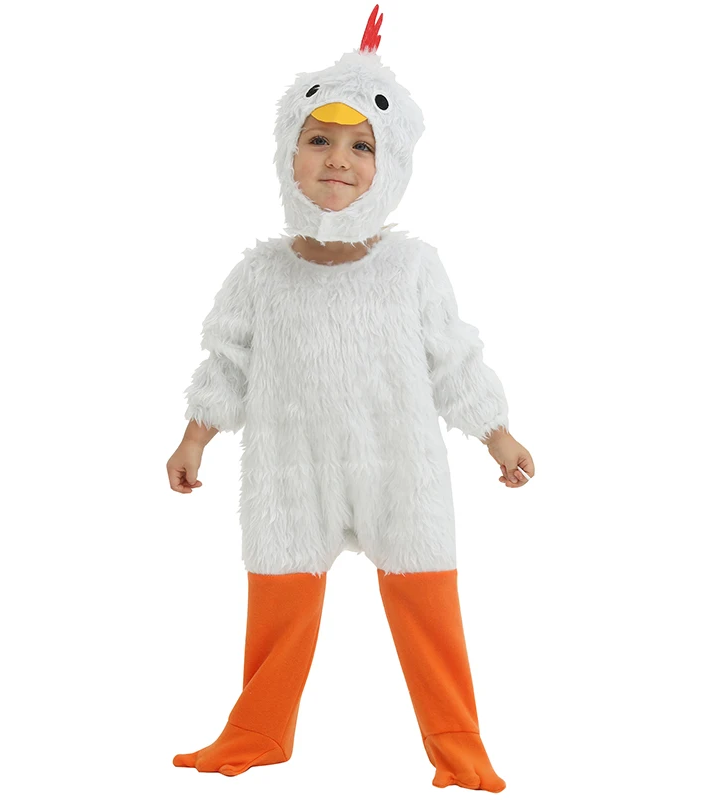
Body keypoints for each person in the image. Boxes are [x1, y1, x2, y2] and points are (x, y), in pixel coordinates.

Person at [167, 5, 534, 792]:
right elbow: (227, 360)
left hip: (399, 465)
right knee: (278, 604)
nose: (337, 160)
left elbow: (454, 357)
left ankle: (458, 745)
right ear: (288, 153)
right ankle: (258, 731)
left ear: (389, 163)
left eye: (361, 145)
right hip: (289, 470)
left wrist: (496, 434)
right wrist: (195, 437)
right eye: (318, 140)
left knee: (429, 607)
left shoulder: (412, 269)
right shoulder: (261, 274)